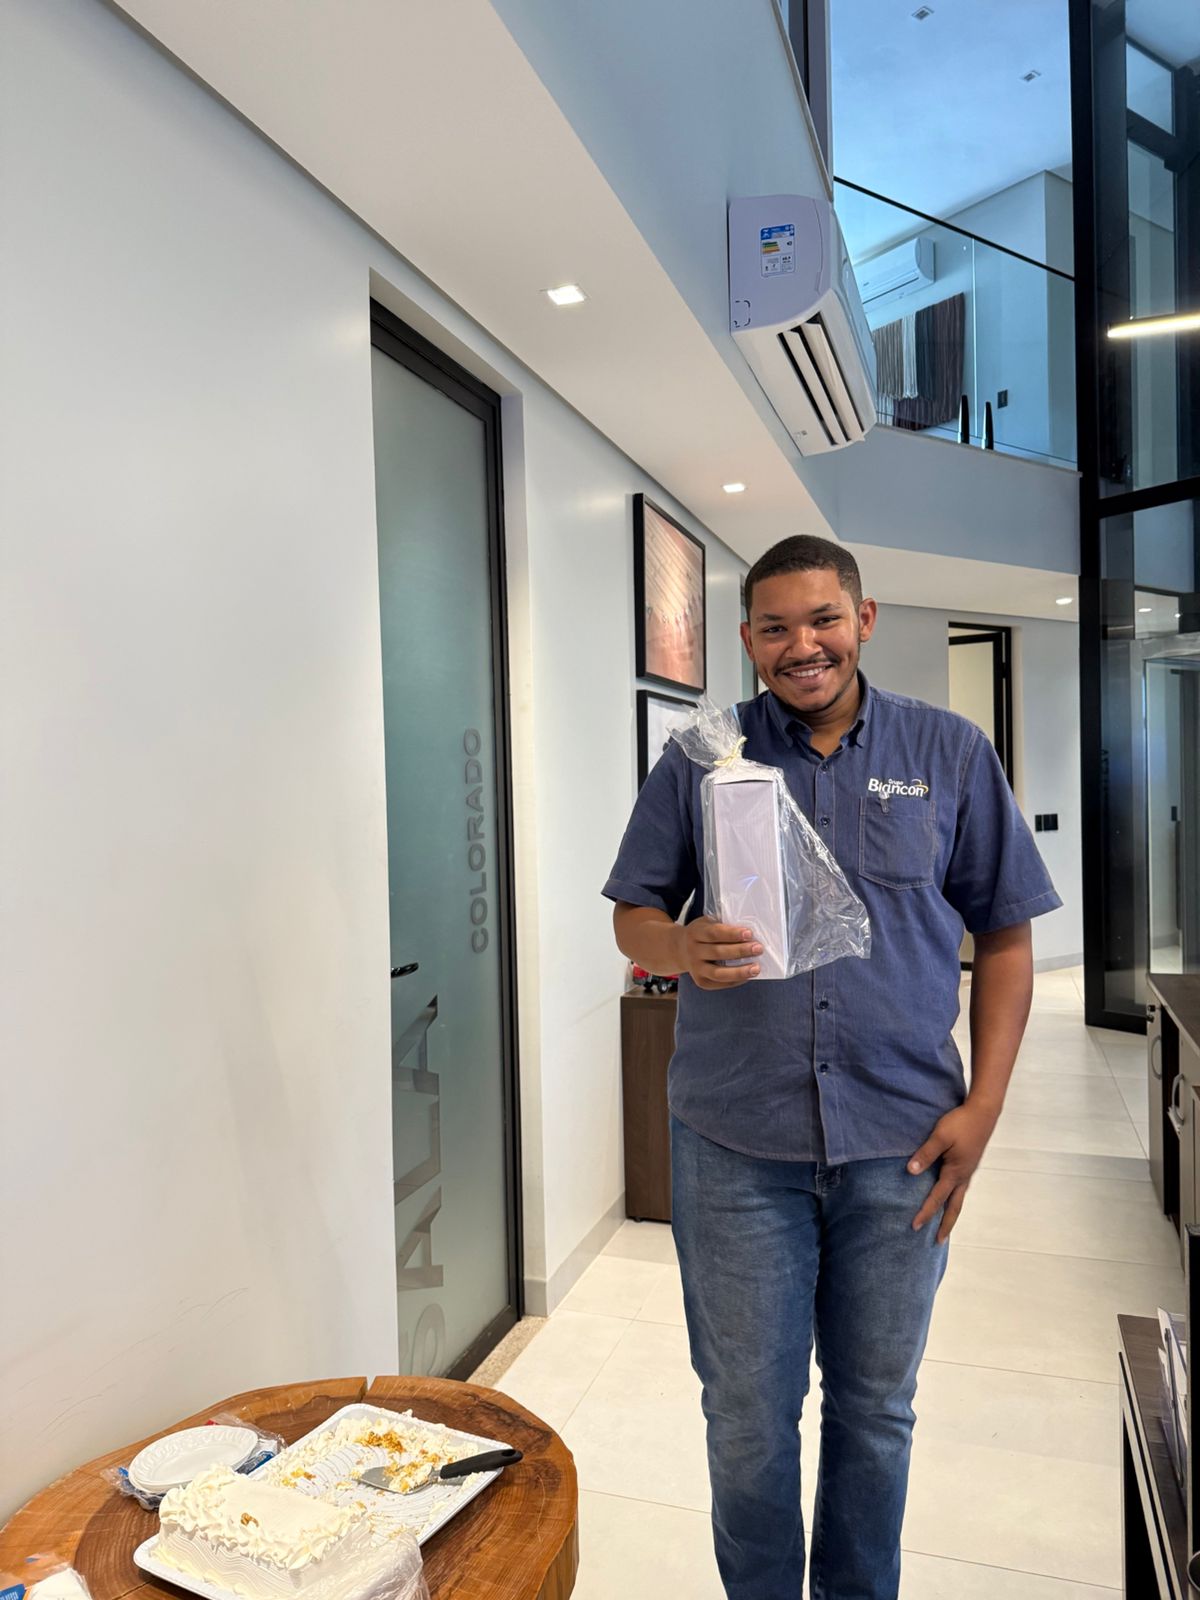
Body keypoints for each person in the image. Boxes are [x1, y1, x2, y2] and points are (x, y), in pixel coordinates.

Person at [603, 535, 1060, 1600]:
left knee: (876, 1410)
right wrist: (677, 946)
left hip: (901, 1146)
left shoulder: (948, 751)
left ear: (864, 620)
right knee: (747, 1417)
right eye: (775, 627)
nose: (801, 645)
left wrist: (985, 1107)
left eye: (822, 619)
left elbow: (1005, 935)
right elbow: (633, 911)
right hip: (735, 1144)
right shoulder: (702, 759)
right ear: (748, 639)